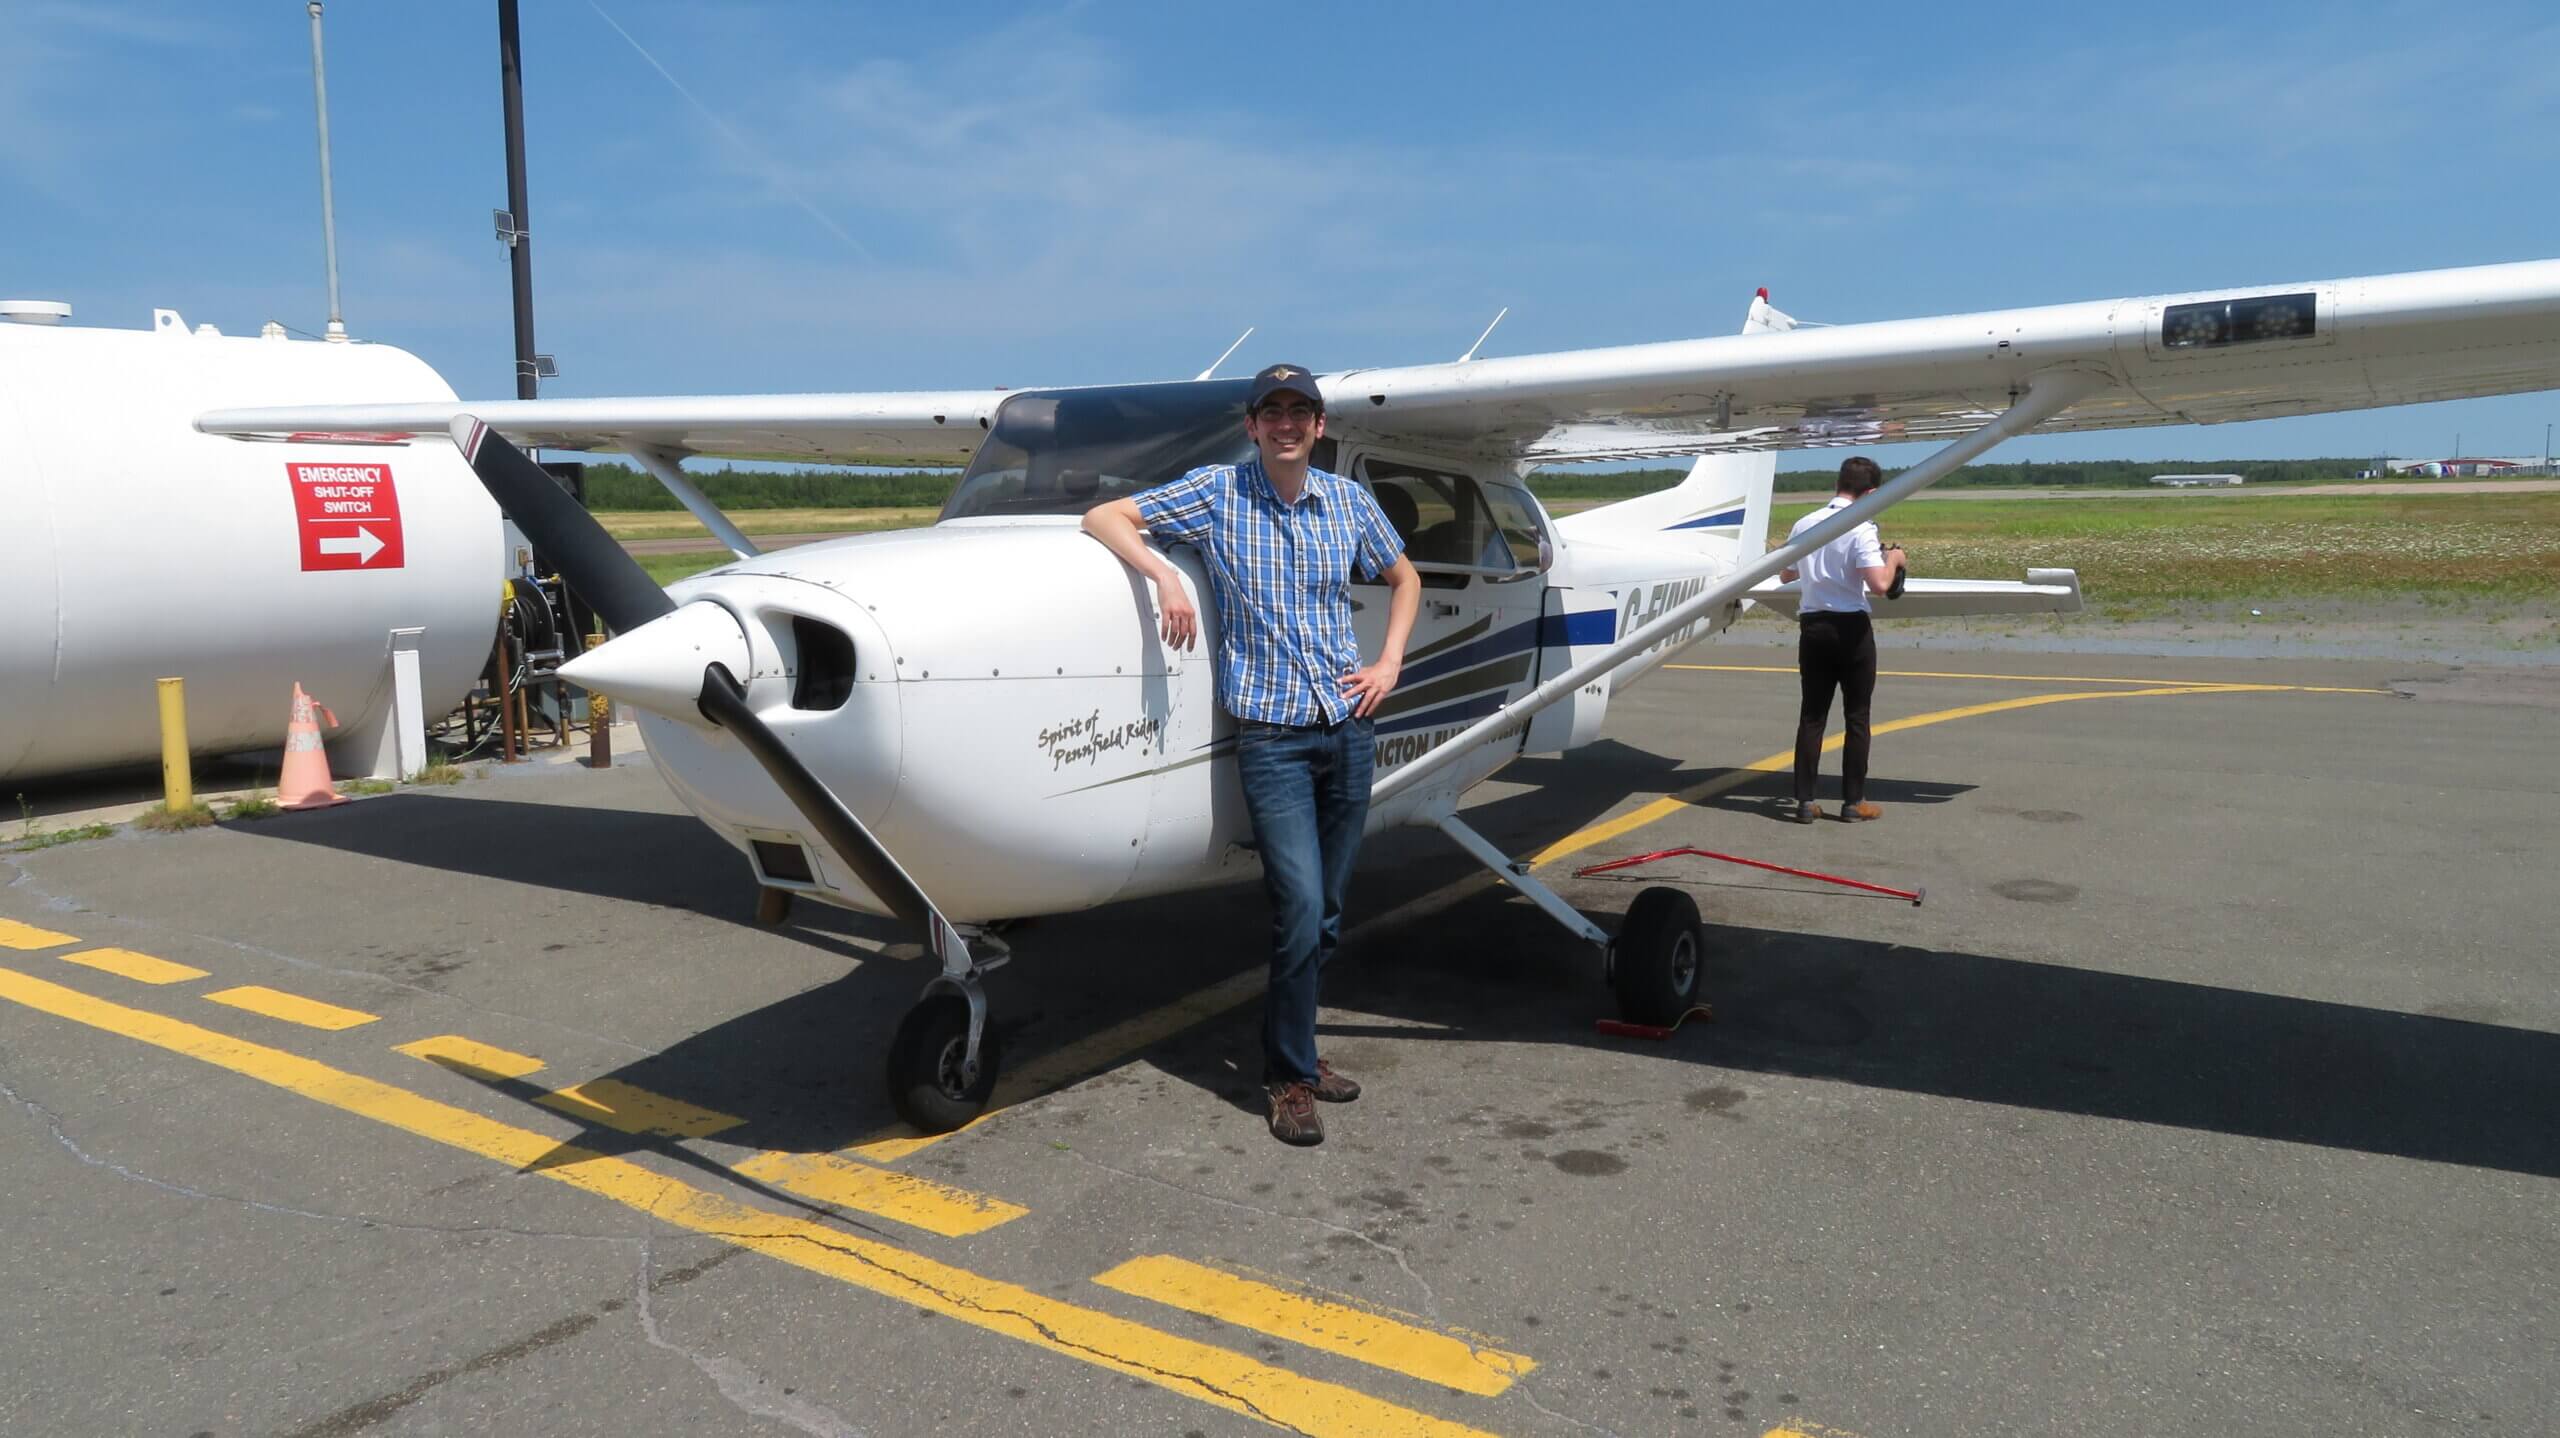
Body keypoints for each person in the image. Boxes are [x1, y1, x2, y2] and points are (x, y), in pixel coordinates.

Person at [1082, 364, 1421, 1146]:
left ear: (1319, 426)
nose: (1287, 424)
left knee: (1328, 913)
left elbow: (1404, 578)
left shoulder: (1347, 502)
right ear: (1253, 426)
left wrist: (1389, 662)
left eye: (1300, 411)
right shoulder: (1218, 492)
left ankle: (1298, 1049)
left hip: (1347, 725)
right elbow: (1106, 516)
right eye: (1273, 412)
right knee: (1299, 906)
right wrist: (1164, 574)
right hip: (1273, 739)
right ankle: (1288, 1078)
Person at [1778, 455, 1907, 823]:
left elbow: (1787, 573)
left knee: (1812, 716)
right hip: (1851, 631)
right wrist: (1894, 558)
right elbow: (1880, 585)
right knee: (1857, 717)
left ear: (1839, 484)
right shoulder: (1861, 528)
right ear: (1871, 492)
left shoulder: (1805, 523)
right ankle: (1853, 802)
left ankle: (1805, 801)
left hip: (1813, 627)